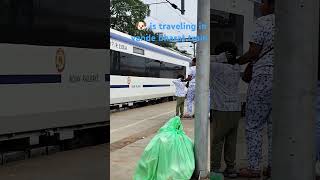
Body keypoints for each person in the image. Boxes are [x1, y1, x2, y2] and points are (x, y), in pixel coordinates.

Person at [237, 0, 275, 178]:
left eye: (263, 2)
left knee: (253, 125)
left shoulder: (264, 22)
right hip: (286, 82)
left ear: (270, 4)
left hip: (263, 78)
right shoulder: (292, 24)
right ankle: (273, 166)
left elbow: (254, 52)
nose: (261, 6)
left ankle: (253, 167)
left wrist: (237, 60)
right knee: (275, 126)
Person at [209, 42, 241, 178]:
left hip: (221, 108)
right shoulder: (237, 67)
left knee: (217, 140)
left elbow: (200, 59)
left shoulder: (214, 66)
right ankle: (231, 168)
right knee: (231, 140)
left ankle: (215, 168)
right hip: (236, 109)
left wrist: (218, 58)